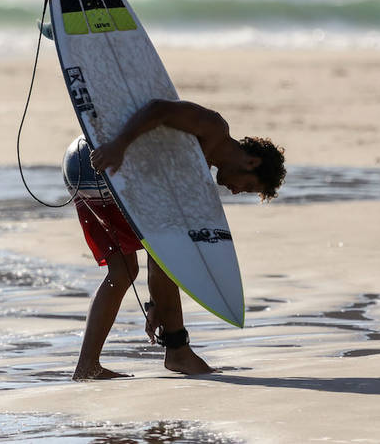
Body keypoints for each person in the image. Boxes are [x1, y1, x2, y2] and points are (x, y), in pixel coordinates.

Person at [70, 99, 285, 381]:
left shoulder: (195, 177)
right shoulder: (214, 128)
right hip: (106, 162)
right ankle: (177, 351)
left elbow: (159, 251)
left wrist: (154, 303)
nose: (235, 191)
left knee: (123, 271)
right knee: (163, 254)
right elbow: (159, 109)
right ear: (251, 162)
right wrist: (119, 146)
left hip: (82, 164)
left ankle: (88, 366)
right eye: (247, 186)